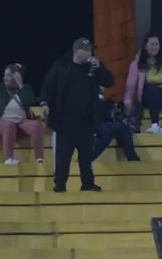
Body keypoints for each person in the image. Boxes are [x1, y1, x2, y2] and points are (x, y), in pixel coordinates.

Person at [41, 38, 115, 192]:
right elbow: (48, 86)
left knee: (86, 156)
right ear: (77, 51)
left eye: (90, 51)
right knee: (63, 155)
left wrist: (99, 68)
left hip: (87, 119)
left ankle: (87, 183)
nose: (89, 54)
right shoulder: (62, 66)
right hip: (65, 120)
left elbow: (109, 81)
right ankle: (60, 184)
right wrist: (45, 104)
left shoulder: (93, 68)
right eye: (86, 51)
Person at [0, 63, 46, 165]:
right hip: (3, 123)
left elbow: (31, 100)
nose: (5, 78)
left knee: (37, 124)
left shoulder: (25, 89)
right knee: (9, 125)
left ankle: (40, 158)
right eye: (5, 75)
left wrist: (21, 86)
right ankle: (9, 158)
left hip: (21, 123)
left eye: (9, 76)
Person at [93, 90, 140, 162]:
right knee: (107, 131)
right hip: (92, 123)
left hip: (107, 122)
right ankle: (87, 159)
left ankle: (134, 161)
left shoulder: (109, 94)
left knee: (123, 129)